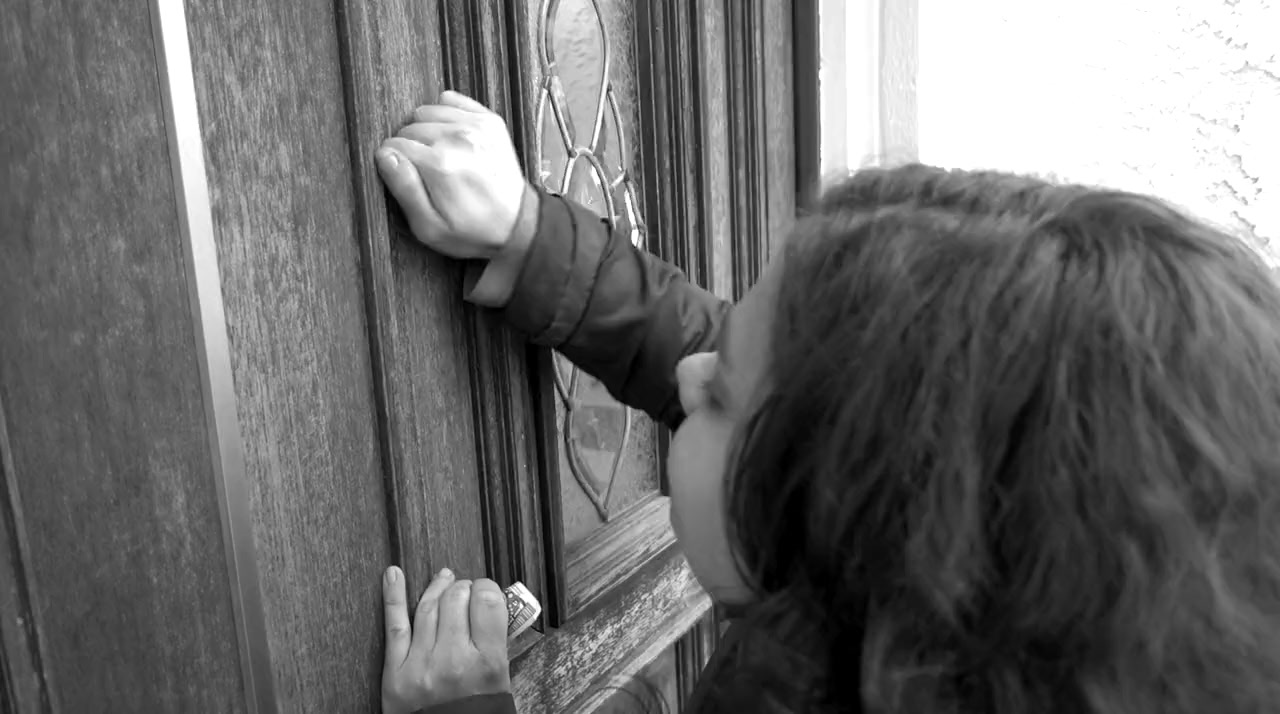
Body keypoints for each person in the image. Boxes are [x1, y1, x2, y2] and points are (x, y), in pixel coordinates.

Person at [371, 92, 1280, 714]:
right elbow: (762, 392)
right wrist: (534, 240)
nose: (689, 380)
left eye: (719, 394)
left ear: (853, 526)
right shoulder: (902, 621)